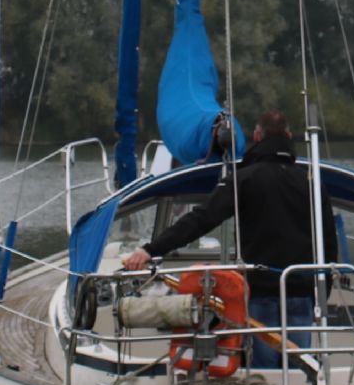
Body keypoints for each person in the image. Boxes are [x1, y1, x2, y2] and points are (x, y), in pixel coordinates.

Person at [122, 110, 338, 368]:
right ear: (289, 136)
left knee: (264, 368)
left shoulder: (245, 179)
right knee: (298, 368)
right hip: (301, 292)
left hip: (261, 291)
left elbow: (201, 219)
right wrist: (322, 292)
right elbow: (328, 241)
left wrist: (151, 249)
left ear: (257, 136)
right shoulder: (311, 182)